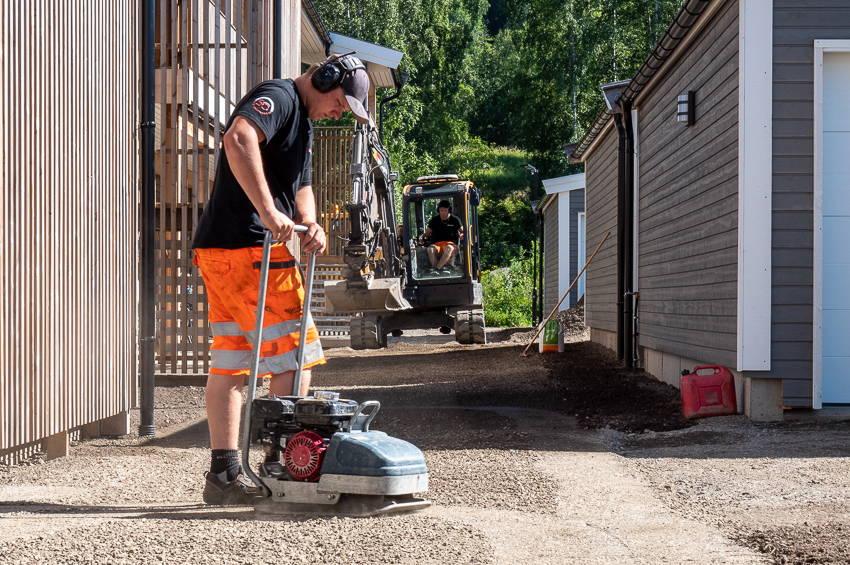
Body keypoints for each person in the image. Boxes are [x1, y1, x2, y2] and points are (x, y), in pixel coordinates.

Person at [191, 54, 372, 505]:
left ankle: (225, 475)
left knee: (232, 360)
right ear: (325, 77)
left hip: (221, 252)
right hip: (250, 250)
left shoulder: (303, 123)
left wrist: (308, 221)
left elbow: (301, 184)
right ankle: (283, 465)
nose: (340, 112)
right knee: (296, 353)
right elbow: (238, 138)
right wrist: (270, 213)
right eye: (341, 102)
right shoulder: (280, 98)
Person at [419, 200, 463, 273]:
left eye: (445, 210)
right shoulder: (434, 221)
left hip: (451, 244)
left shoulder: (455, 220)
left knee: (448, 248)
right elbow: (426, 234)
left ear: (449, 210)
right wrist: (422, 238)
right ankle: (438, 270)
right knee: (430, 249)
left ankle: (437, 269)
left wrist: (462, 235)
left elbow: (463, 231)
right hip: (437, 245)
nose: (443, 213)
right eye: (441, 210)